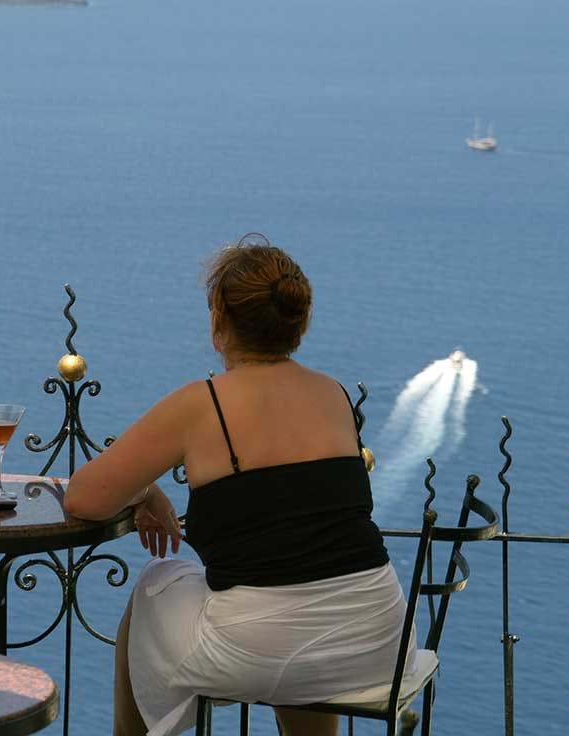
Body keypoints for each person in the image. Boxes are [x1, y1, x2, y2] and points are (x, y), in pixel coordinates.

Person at [63, 237, 412, 736]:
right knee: (297, 621)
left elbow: (84, 498)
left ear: (218, 320)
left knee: (154, 587)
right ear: (298, 322)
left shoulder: (201, 405)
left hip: (263, 647)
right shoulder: (334, 395)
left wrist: (145, 491)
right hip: (378, 637)